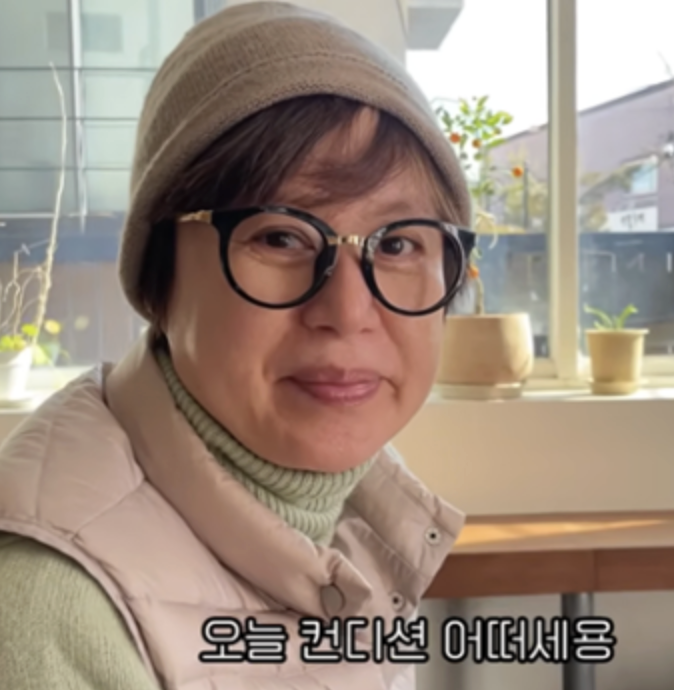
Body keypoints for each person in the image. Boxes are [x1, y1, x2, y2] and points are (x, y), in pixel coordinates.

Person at [0, 2, 473, 689]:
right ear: (160, 276)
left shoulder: (353, 508)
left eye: (398, 244)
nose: (348, 311)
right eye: (280, 236)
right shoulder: (48, 609)